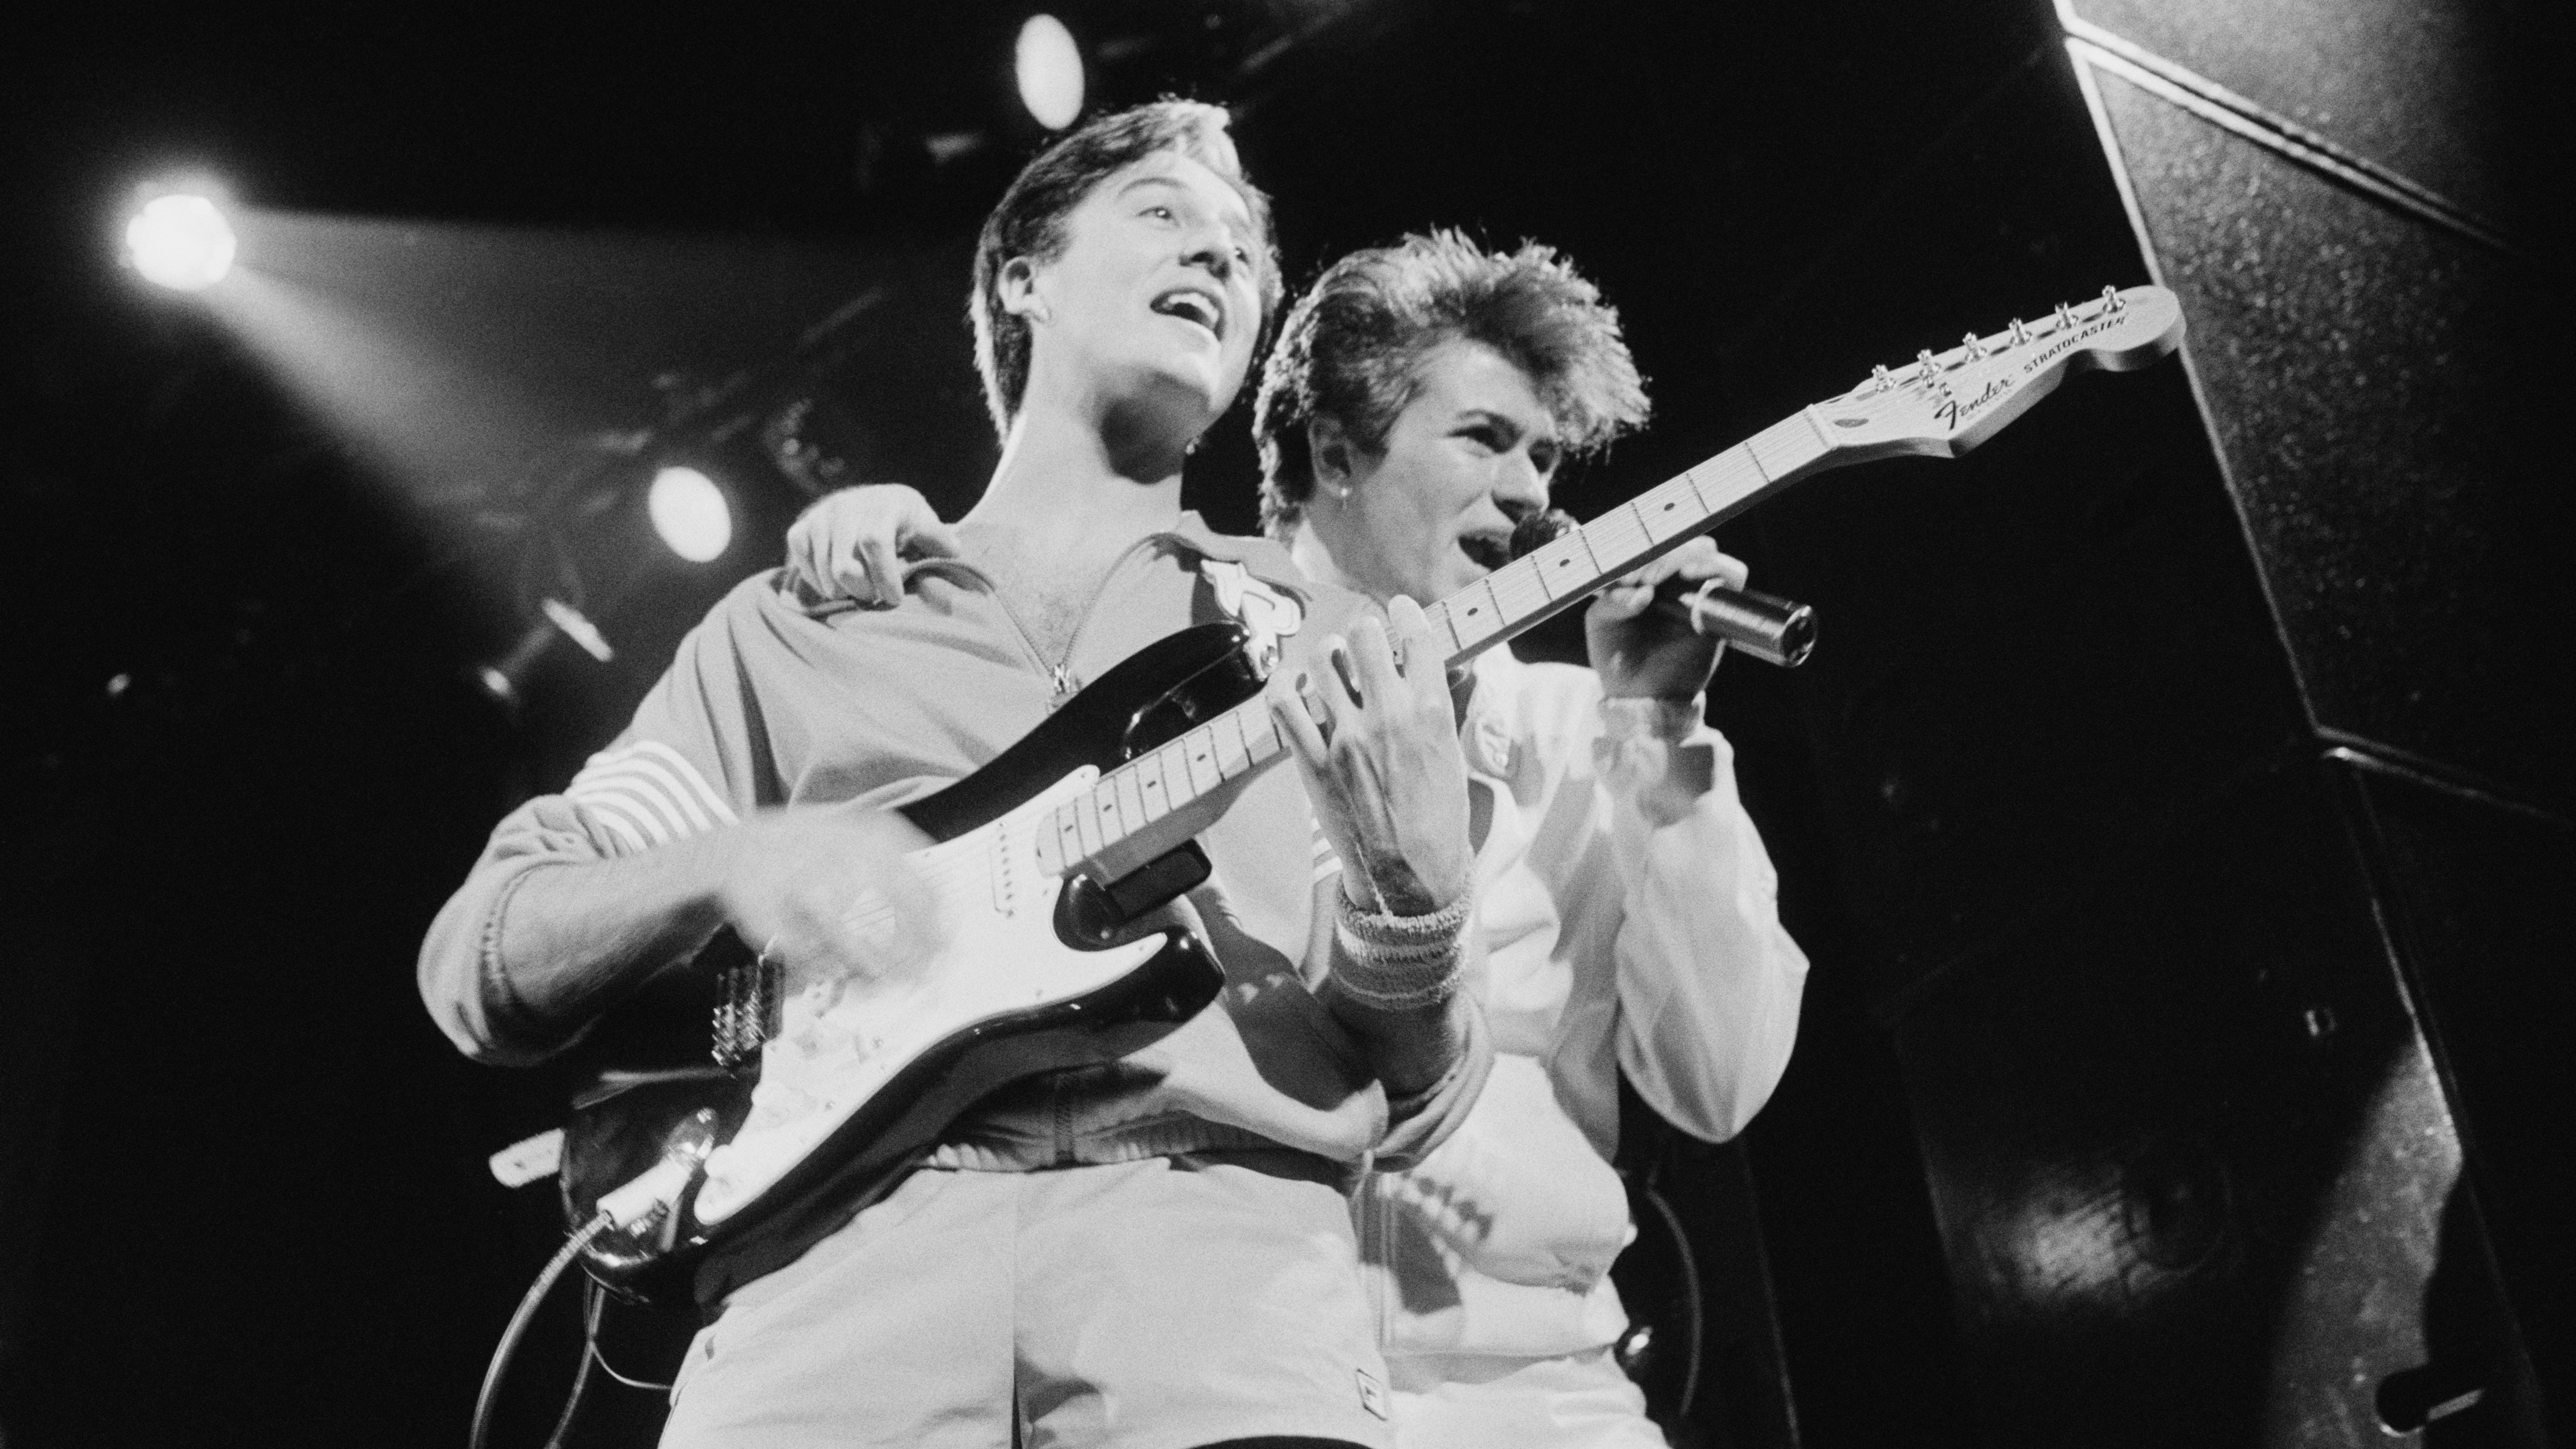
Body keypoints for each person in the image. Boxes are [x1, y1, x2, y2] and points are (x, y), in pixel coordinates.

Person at [419, 103, 1492, 1449]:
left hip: (1220, 1269)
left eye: (1243, 251)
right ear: (1020, 275)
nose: (1219, 257)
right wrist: (731, 856)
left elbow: (1425, 1094)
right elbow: (491, 954)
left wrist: (1414, 910)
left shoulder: (1327, 643)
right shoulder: (796, 624)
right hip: (832, 1279)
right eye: (1166, 214)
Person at [788, 231, 1807, 1448]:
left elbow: (1721, 1080)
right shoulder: (1157, 687)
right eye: (1484, 438)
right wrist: (879, 537)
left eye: (1543, 455)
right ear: (1334, 451)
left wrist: (1661, 735)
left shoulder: (1588, 730)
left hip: (1537, 1395)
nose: (1533, 491)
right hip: (1208, 1377)